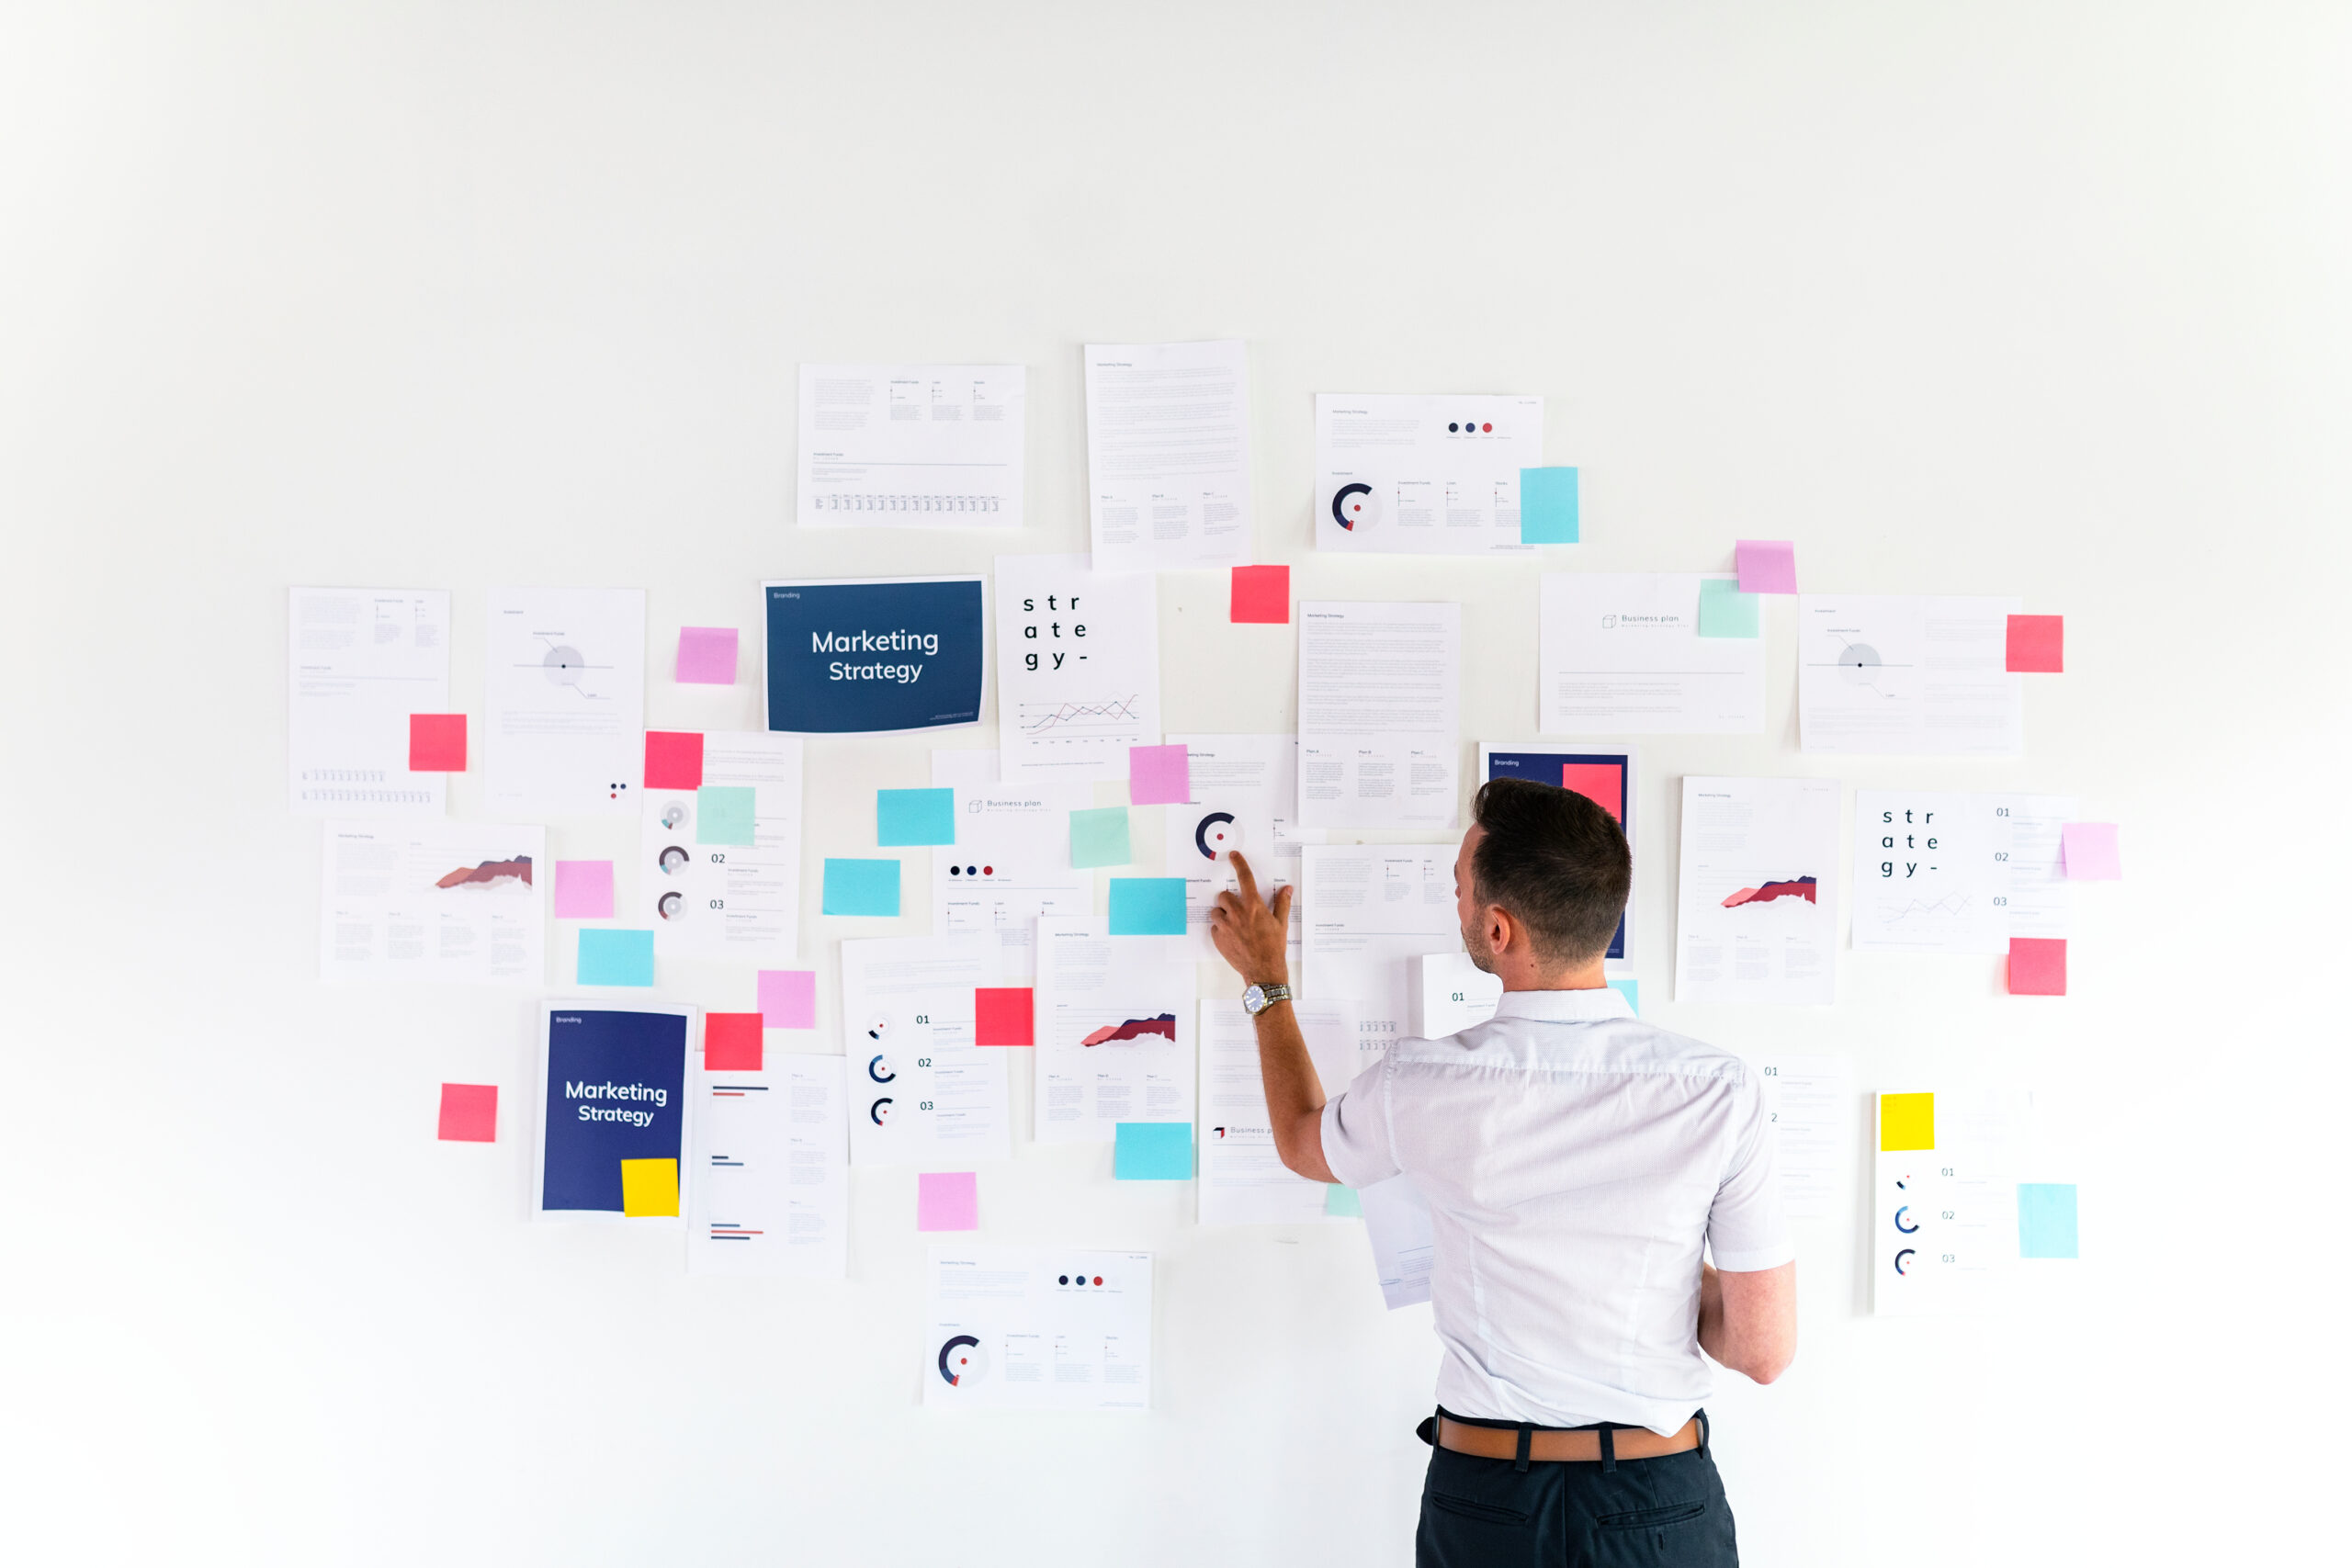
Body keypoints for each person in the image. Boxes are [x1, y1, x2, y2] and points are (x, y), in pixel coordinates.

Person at [1209, 777, 1796, 1567]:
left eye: (1458, 886)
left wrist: (1266, 982)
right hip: (1658, 1500)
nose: (1454, 901)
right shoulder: (1720, 1091)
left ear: (1497, 927)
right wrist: (1650, 1268)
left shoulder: (1421, 1084)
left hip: (1488, 1500)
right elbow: (1763, 1348)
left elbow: (1300, 1140)